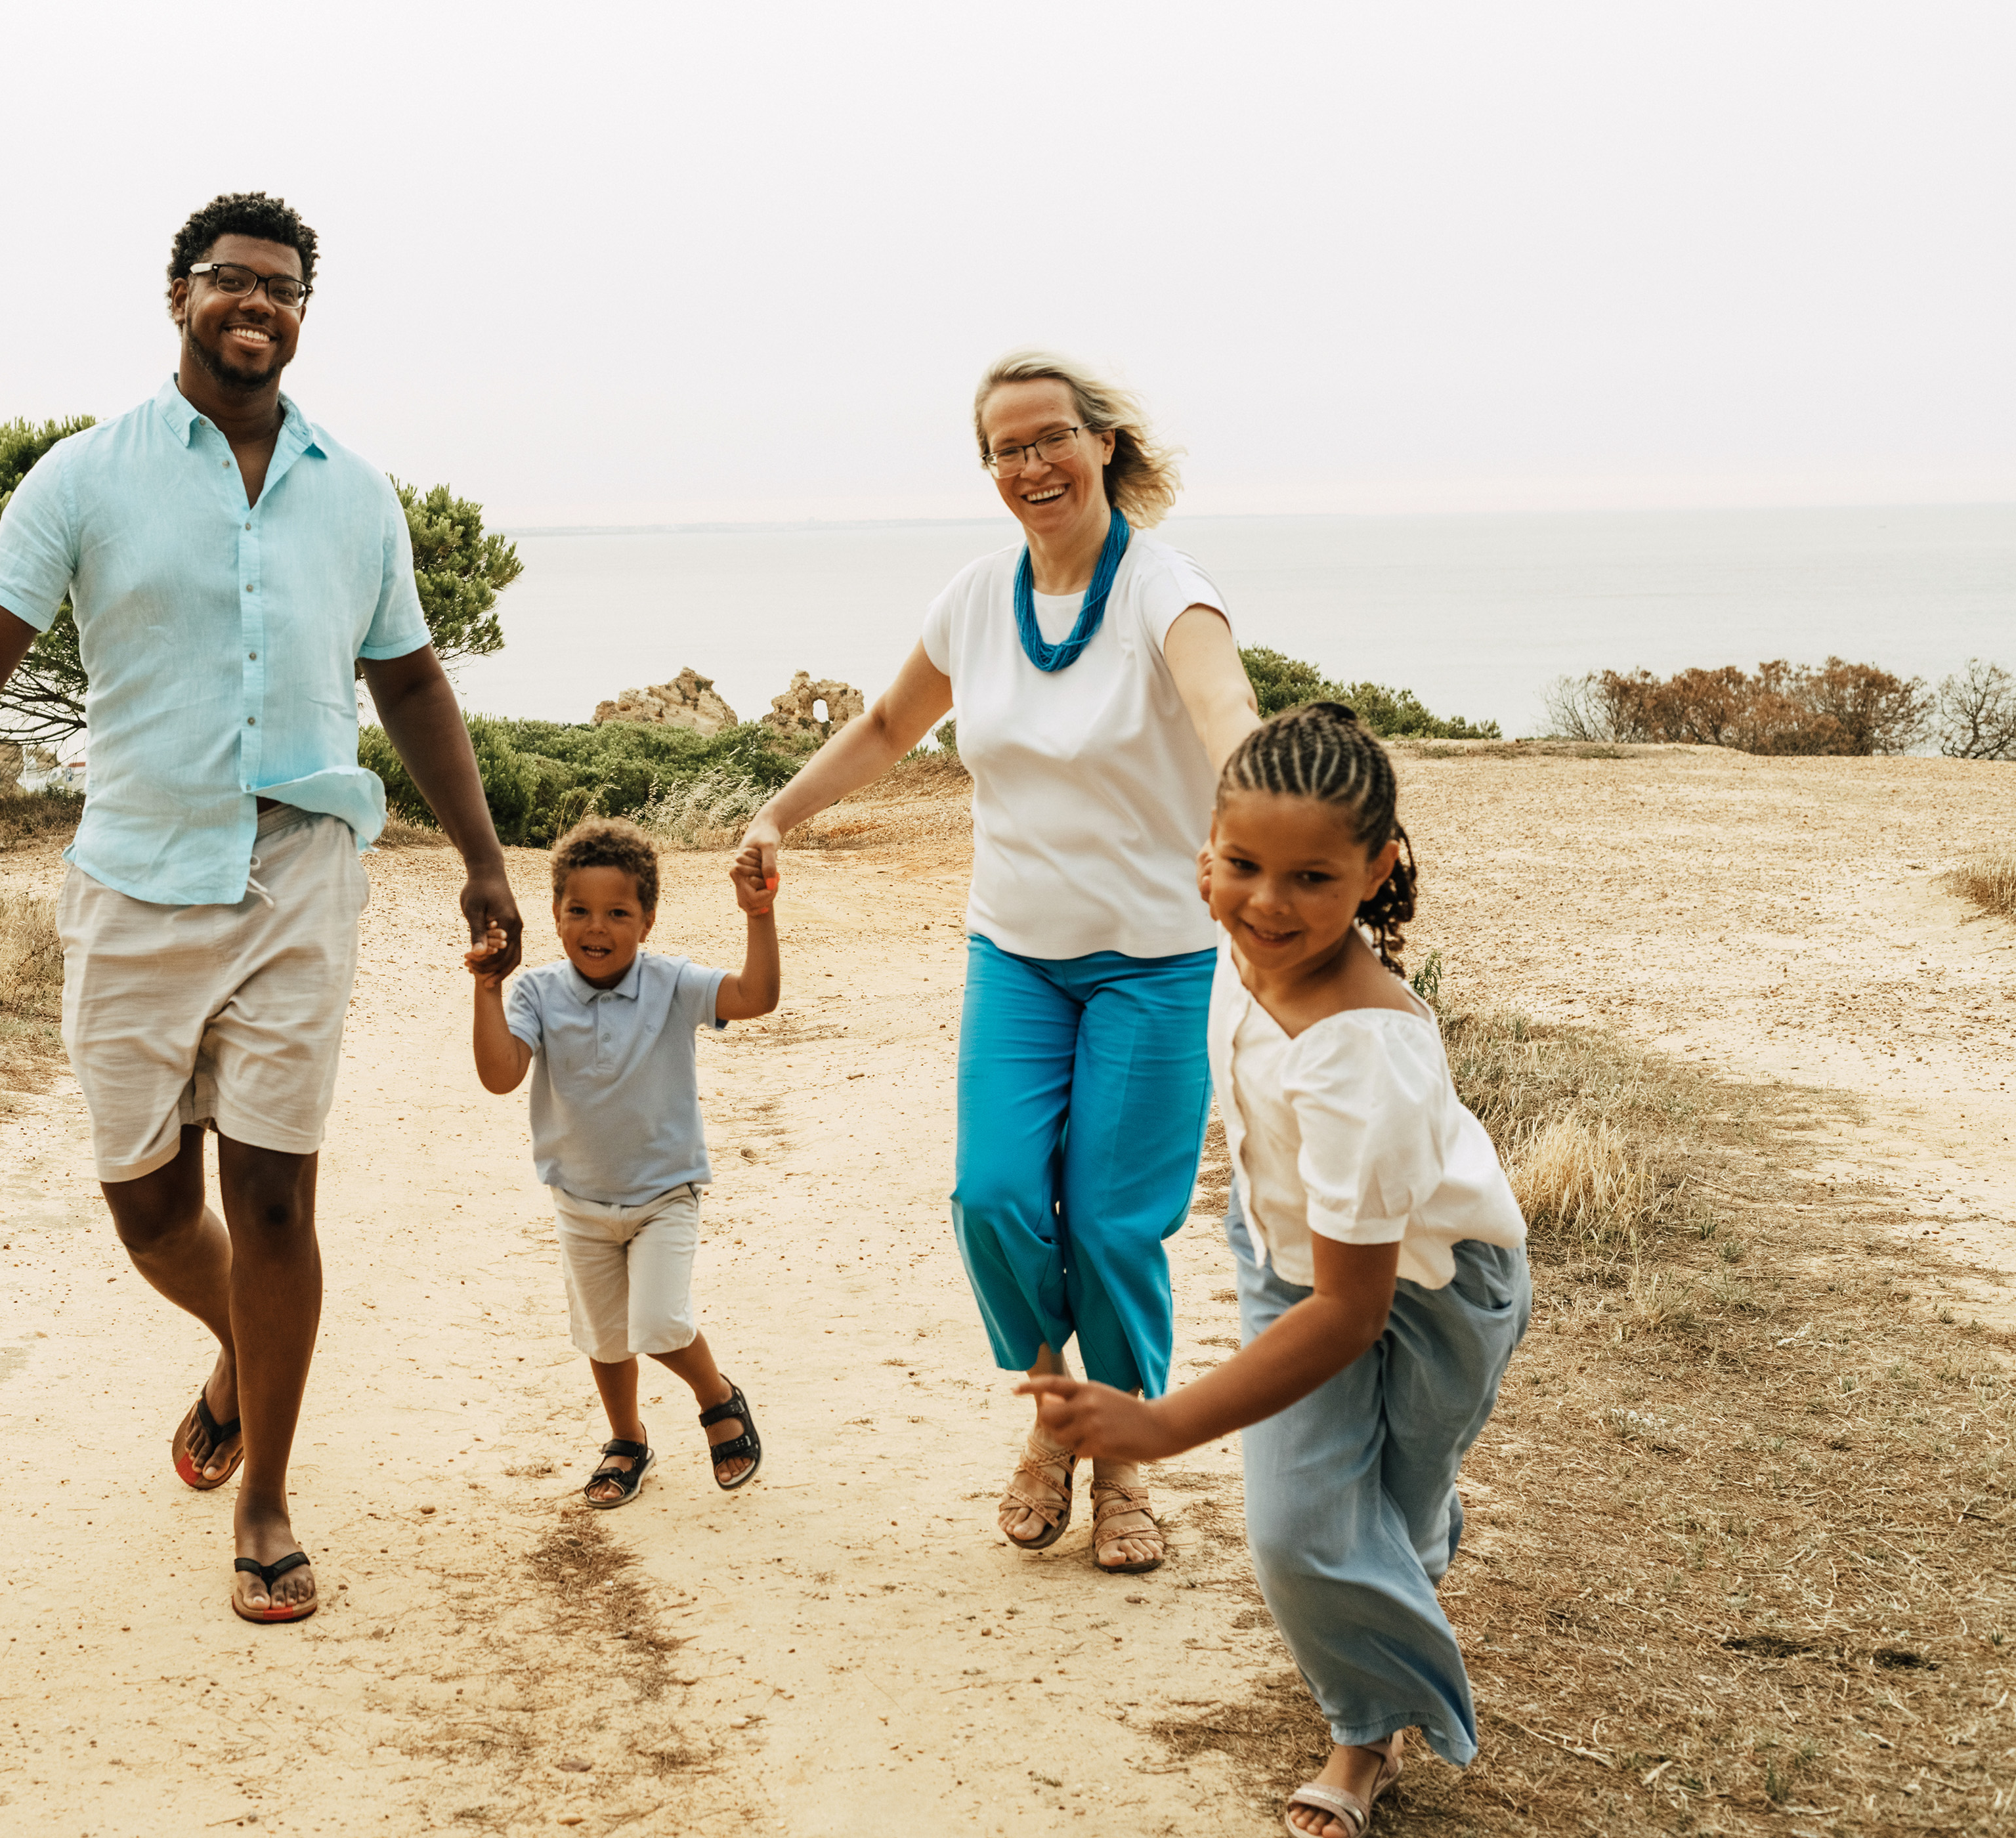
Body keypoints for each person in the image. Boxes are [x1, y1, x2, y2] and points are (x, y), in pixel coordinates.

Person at [0, 191, 521, 1625]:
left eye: (283, 286)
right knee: (150, 1205)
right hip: (139, 865)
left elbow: (410, 681)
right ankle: (241, 1349)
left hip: (302, 869)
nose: (255, 303)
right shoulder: (86, 476)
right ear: (179, 295)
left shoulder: (356, 489)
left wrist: (483, 854)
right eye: (229, 279)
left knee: (273, 1191)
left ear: (303, 311)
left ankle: (265, 1491)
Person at [737, 350, 1261, 1571]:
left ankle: (1122, 1454)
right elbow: (882, 725)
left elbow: (1228, 711)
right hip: (1018, 953)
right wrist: (777, 815)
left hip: (1157, 961)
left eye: (1050, 440)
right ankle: (1050, 1414)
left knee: (1118, 1226)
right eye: (1006, 449)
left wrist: (1279, 823)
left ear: (1104, 445)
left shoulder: (1166, 592)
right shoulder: (978, 599)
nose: (1031, 466)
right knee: (996, 1198)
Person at [1020, 702, 1531, 1837]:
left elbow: (1353, 1313)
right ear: (1206, 852)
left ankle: (1378, 1691)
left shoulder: (1360, 1049)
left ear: (1376, 870)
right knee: (1303, 1531)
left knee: (1388, 1504)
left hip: (1437, 1290)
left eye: (1311, 878)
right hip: (1292, 1255)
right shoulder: (1235, 935)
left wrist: (1161, 1427)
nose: (1267, 902)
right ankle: (1365, 1737)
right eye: (1243, 864)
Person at [463, 819, 778, 1507]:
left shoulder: (672, 983)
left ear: (648, 919)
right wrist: (488, 988)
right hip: (579, 1200)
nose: (595, 927)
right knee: (605, 1338)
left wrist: (759, 915)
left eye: (617, 913)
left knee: (659, 1323)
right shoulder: (536, 993)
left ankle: (717, 1397)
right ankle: (627, 1440)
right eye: (578, 910)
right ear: (554, 913)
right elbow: (499, 1075)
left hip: (666, 1194)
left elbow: (756, 997)